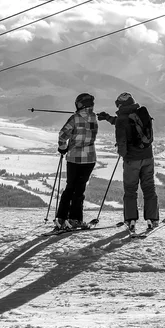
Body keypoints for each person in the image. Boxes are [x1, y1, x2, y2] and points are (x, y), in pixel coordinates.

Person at [97, 92, 159, 232]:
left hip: (132, 160)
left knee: (131, 190)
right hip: (148, 157)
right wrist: (107, 118)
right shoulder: (142, 114)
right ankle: (152, 218)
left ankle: (131, 219)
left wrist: (122, 153)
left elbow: (122, 142)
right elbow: (126, 123)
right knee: (149, 188)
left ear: (120, 105)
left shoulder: (122, 120)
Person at [52, 92, 98, 231]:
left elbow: (62, 135)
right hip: (89, 158)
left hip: (73, 158)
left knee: (70, 187)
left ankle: (61, 218)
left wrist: (63, 148)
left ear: (81, 104)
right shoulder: (94, 118)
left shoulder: (75, 118)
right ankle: (75, 220)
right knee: (80, 189)